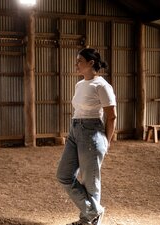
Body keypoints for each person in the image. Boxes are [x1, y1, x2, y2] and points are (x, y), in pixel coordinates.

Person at [56, 48, 117, 225]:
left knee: (91, 182)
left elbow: (111, 116)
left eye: (79, 61)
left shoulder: (102, 86)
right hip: (75, 130)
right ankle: (94, 212)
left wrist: (107, 140)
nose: (76, 64)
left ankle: (88, 221)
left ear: (91, 63)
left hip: (92, 133)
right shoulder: (80, 84)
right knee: (64, 175)